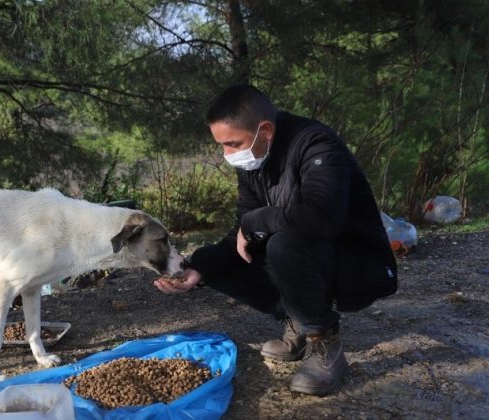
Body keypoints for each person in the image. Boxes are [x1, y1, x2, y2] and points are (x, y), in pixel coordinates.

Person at [155, 84, 398, 396]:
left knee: (283, 242)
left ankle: (324, 343)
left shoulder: (317, 144)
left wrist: (254, 221)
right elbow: (240, 235)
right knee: (217, 260)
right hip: (306, 255)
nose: (227, 155)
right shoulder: (254, 161)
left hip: (354, 261)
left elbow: (322, 218)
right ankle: (298, 319)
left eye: (232, 144)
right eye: (222, 146)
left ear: (265, 130)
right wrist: (199, 269)